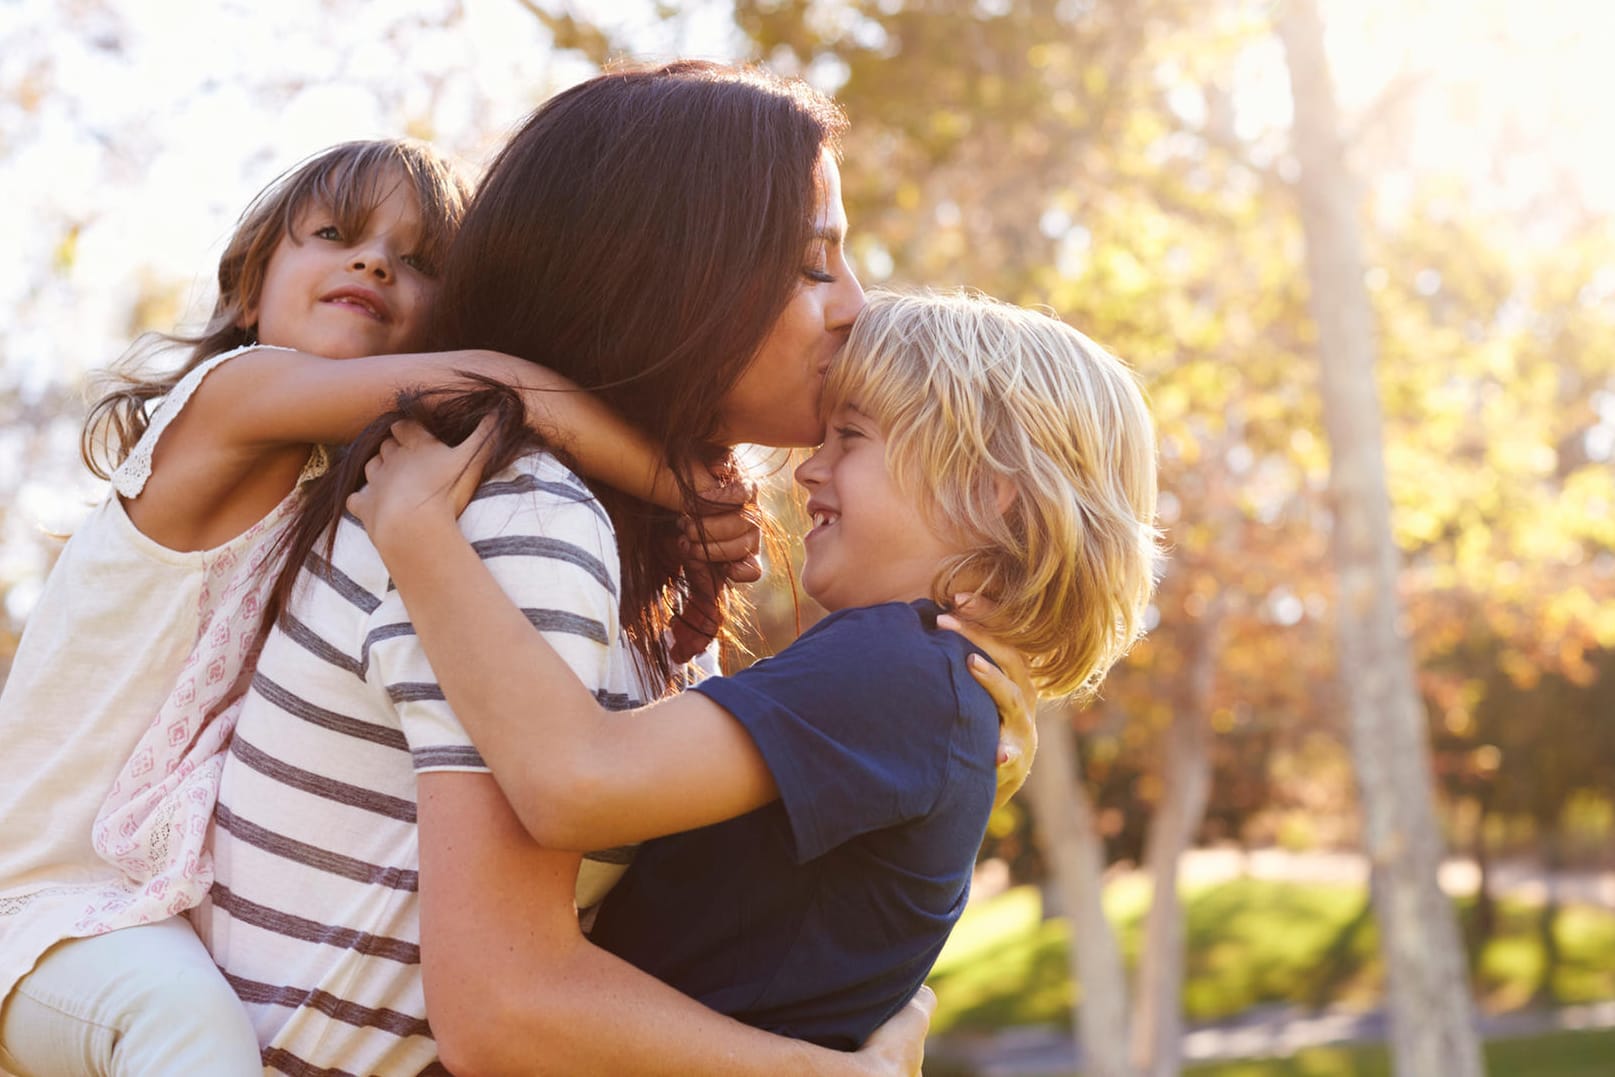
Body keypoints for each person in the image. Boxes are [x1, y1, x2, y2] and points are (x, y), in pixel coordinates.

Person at [200, 62, 1030, 1076]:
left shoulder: (611, 537)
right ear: (673, 274)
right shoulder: (517, 518)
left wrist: (929, 738)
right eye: (815, 264)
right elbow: (507, 1011)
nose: (856, 305)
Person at [0, 137, 713, 1076]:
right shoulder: (230, 395)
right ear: (251, 290)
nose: (374, 261)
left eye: (417, 261)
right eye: (336, 234)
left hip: (157, 904)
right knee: (189, 1031)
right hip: (45, 907)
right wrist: (690, 492)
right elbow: (496, 388)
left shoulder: (339, 501)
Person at [353, 288, 1162, 1049]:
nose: (809, 468)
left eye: (852, 436)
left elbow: (575, 780)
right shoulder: (930, 684)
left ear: (990, 496)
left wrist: (417, 531)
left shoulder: (897, 665)